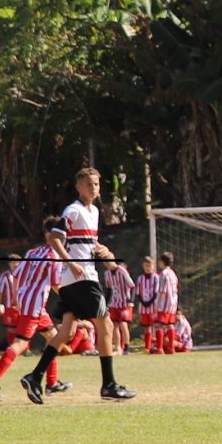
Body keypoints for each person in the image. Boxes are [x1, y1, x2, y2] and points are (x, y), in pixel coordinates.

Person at [23, 166, 132, 403]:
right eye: (89, 184)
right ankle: (109, 385)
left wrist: (100, 249)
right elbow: (54, 238)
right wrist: (71, 262)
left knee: (67, 330)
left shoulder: (93, 211)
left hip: (72, 279)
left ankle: (35, 376)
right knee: (107, 326)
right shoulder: (73, 210)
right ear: (78, 186)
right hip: (81, 278)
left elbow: (83, 242)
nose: (94, 188)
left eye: (96, 184)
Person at [0, 215, 64, 400]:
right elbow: (56, 284)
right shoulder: (54, 256)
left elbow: (18, 275)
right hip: (34, 307)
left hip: (32, 305)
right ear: (52, 235)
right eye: (62, 233)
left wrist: (20, 297)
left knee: (54, 339)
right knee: (20, 343)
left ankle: (52, 383)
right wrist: (72, 298)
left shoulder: (33, 252)